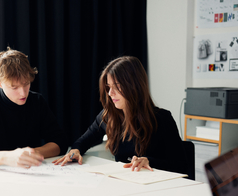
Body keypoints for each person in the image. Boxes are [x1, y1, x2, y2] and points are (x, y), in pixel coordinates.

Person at [53, 56, 187, 174]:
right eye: (109, 86)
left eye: (117, 86)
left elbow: (181, 165)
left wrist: (149, 161)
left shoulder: (162, 119)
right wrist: (75, 150)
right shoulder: (108, 117)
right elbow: (82, 142)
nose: (110, 93)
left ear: (134, 86)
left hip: (157, 190)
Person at [0, 47, 68, 168]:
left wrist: (31, 154)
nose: (23, 93)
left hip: (32, 173)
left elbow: (61, 142)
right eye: (14, 87)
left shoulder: (37, 102)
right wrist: (6, 157)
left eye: (26, 84)